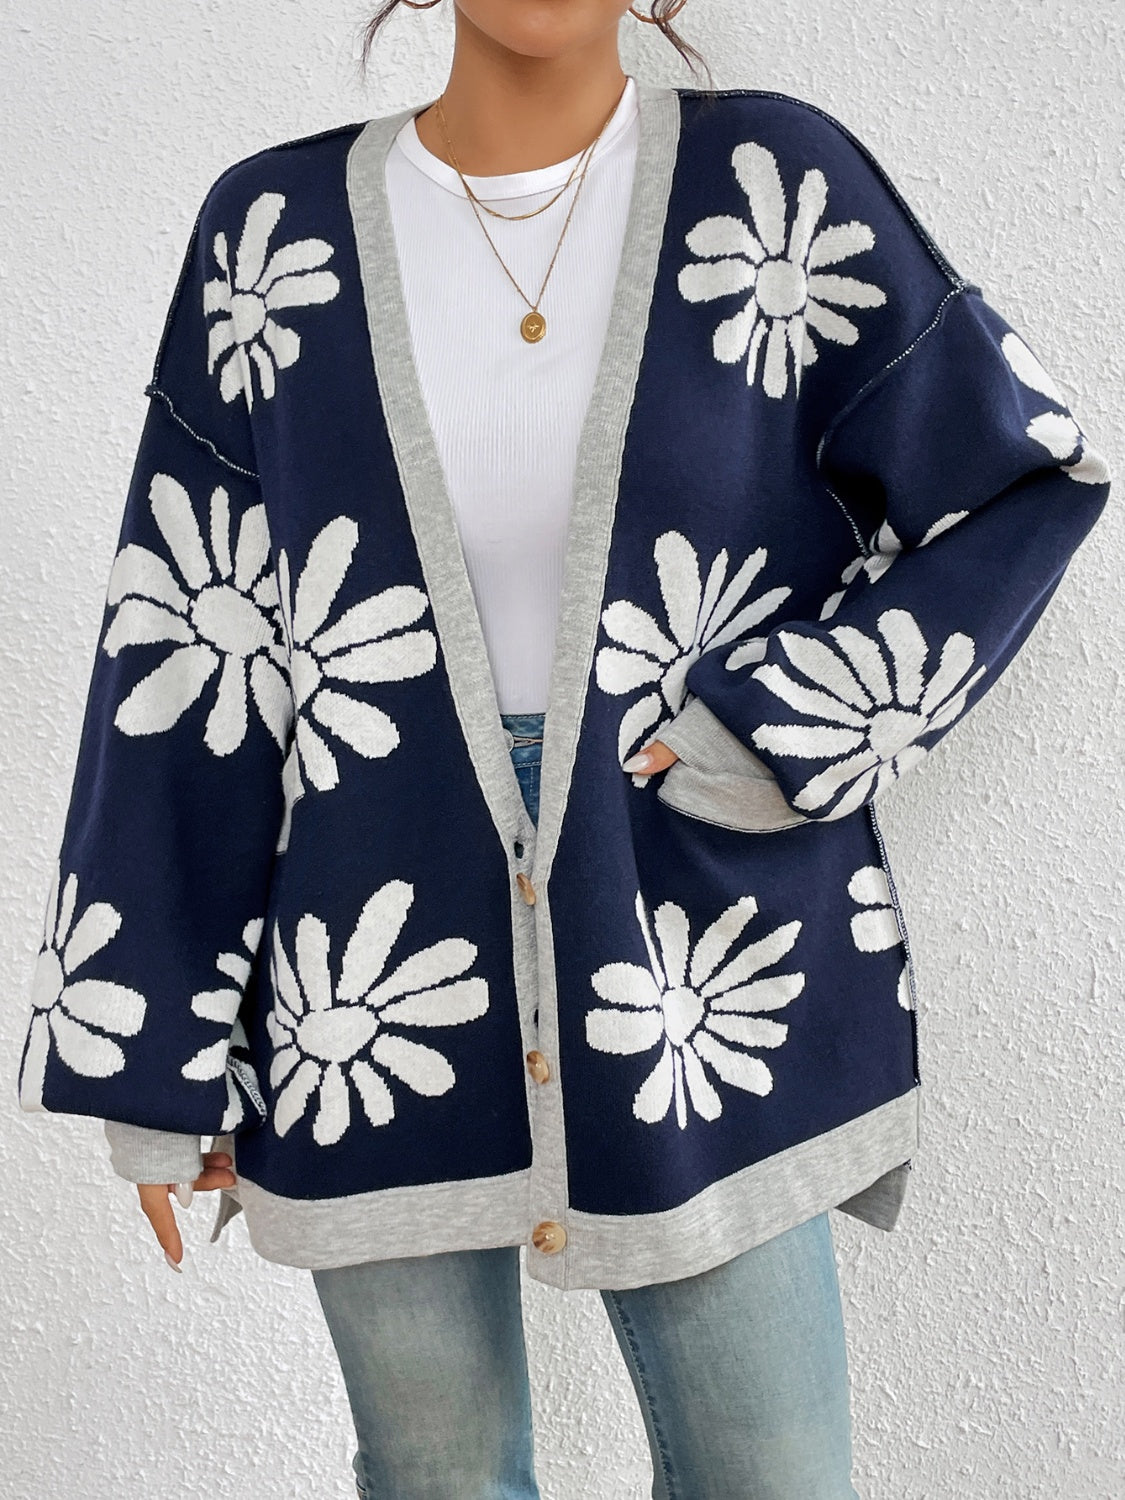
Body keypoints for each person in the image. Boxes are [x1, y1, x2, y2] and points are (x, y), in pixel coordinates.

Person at [17, 2, 1111, 1496]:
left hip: (694, 948)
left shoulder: (772, 188)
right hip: (367, 971)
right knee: (437, 1476)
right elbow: (185, 638)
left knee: (769, 1476)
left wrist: (781, 728)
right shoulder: (270, 234)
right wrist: (160, 1054)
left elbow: (1018, 483)